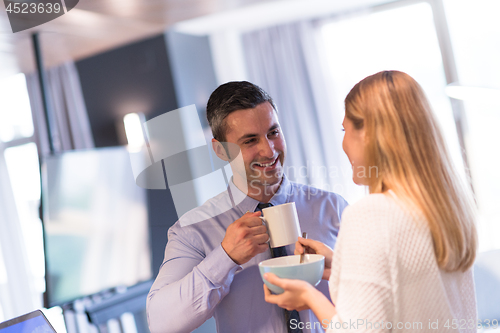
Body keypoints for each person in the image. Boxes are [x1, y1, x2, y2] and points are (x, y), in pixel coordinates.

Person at [263, 70, 478, 333]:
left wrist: (310, 297)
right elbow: (410, 288)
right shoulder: (446, 209)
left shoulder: (371, 213)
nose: (343, 142)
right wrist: (343, 265)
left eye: (345, 128)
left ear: (369, 133)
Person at [147, 81, 348, 333]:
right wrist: (224, 257)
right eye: (251, 140)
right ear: (221, 150)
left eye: (273, 132)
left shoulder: (333, 208)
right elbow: (160, 323)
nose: (269, 150)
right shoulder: (192, 230)